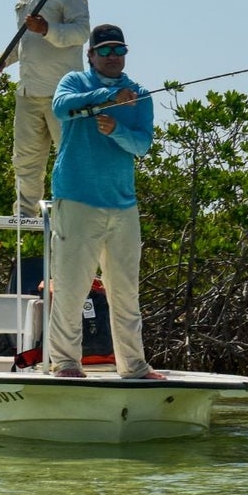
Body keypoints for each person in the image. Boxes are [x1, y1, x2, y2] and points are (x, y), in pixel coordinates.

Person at [46, 24, 163, 380]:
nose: (114, 57)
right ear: (91, 55)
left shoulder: (139, 93)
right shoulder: (75, 82)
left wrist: (118, 131)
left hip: (123, 204)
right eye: (106, 51)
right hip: (77, 198)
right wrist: (105, 98)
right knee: (71, 287)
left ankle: (135, 366)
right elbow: (61, 108)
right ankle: (65, 363)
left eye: (119, 51)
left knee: (126, 291)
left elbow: (142, 145)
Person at [0, 0, 89, 216]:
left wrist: (47, 28)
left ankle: (75, 212)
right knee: (25, 159)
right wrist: (2, 59)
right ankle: (26, 214)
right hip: (28, 92)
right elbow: (24, 44)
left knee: (69, 158)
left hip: (63, 93)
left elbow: (81, 33)